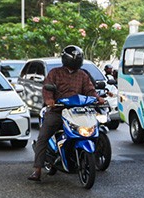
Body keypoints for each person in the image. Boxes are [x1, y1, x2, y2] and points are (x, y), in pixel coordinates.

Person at [28, 45, 105, 182]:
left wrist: (98, 98)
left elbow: (90, 90)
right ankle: (37, 169)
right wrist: (50, 100)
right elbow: (47, 89)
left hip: (78, 112)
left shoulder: (82, 75)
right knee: (43, 137)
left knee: (94, 128)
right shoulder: (55, 73)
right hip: (58, 111)